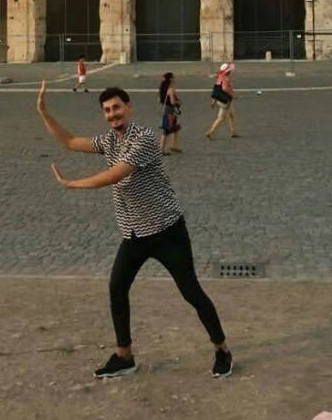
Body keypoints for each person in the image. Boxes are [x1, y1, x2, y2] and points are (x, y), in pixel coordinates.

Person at [36, 81, 233, 380]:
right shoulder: (109, 141)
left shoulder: (145, 139)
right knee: (117, 288)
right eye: (107, 110)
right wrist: (44, 113)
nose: (112, 114)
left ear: (129, 108)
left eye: (117, 107)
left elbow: (114, 174)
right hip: (134, 234)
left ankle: (222, 349)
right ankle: (124, 356)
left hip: (167, 231)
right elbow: (70, 141)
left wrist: (72, 183)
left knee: (191, 292)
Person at [206, 62, 239, 139]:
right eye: (230, 70)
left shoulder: (220, 77)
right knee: (221, 118)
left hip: (221, 100)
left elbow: (216, 89)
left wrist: (213, 101)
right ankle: (211, 132)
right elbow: (224, 89)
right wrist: (233, 95)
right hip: (225, 101)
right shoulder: (225, 78)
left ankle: (233, 132)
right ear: (227, 71)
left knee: (231, 115)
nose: (231, 71)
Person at [158, 71, 182, 155]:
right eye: (173, 77)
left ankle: (173, 146)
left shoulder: (163, 88)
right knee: (167, 130)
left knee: (176, 128)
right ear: (171, 79)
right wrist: (177, 102)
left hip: (168, 110)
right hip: (169, 112)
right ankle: (161, 149)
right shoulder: (170, 89)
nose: (174, 78)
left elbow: (160, 100)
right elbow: (172, 102)